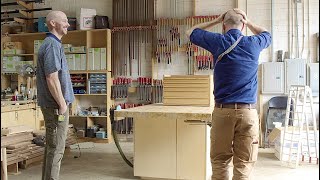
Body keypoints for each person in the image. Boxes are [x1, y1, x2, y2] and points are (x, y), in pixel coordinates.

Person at [186, 9, 271, 180]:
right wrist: (250, 22)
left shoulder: (218, 41)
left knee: (220, 163)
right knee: (243, 165)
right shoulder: (254, 43)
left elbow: (190, 32)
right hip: (248, 114)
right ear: (243, 25)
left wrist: (216, 20)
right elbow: (267, 34)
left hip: (222, 112)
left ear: (224, 25)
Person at [36, 10, 74, 180]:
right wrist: (62, 104)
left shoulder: (54, 44)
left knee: (53, 148)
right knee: (56, 148)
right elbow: (51, 78)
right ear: (53, 23)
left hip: (55, 105)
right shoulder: (51, 45)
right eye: (64, 21)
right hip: (55, 107)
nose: (68, 24)